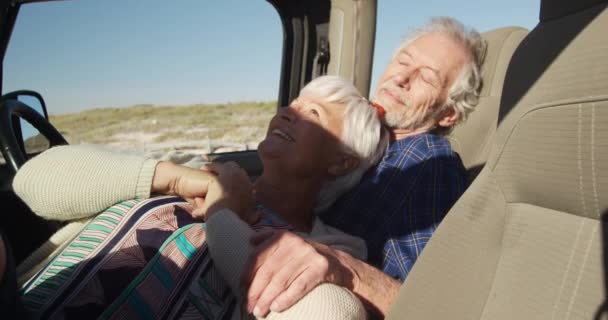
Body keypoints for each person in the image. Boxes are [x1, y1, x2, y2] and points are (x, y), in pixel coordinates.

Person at [13, 76, 389, 319]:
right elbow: (31, 181)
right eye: (292, 104)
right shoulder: (192, 172)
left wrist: (223, 214)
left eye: (313, 113)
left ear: (341, 161)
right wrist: (177, 179)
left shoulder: (330, 249)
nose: (288, 113)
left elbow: (331, 314)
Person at [242, 16, 486, 318]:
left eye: (427, 77)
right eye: (402, 62)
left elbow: (427, 304)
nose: (402, 78)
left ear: (448, 114)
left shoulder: (428, 163)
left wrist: (345, 269)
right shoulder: (363, 140)